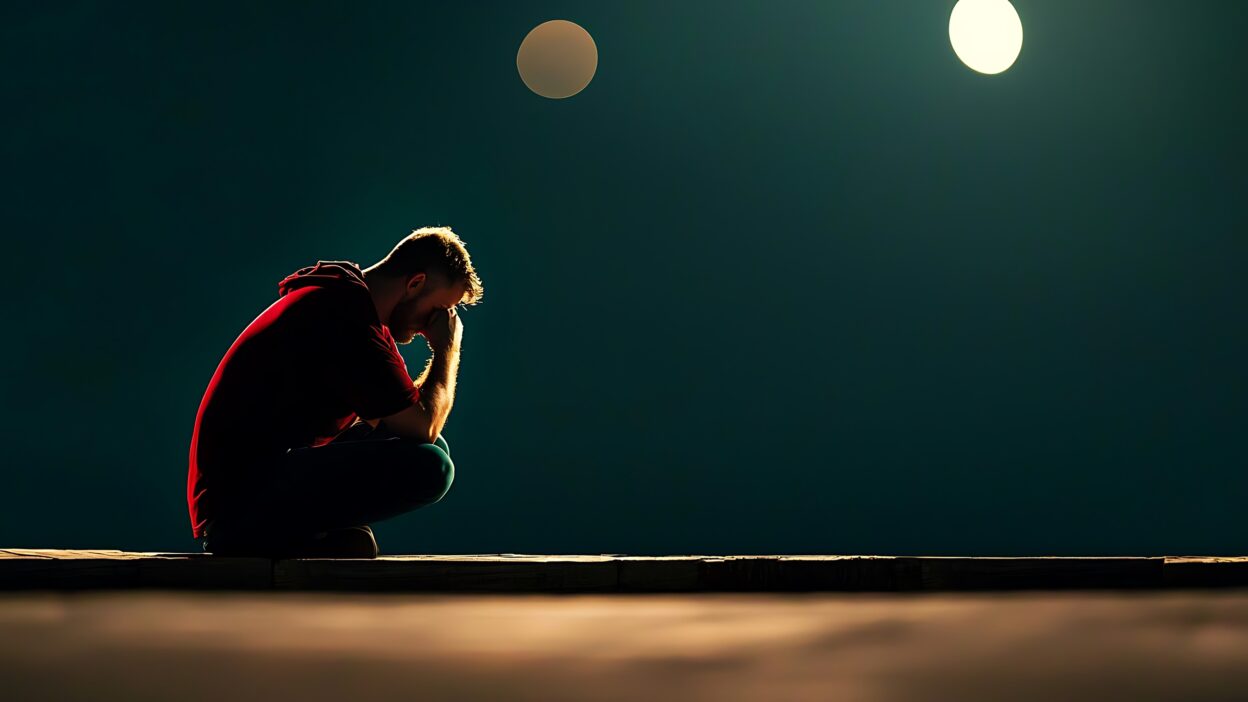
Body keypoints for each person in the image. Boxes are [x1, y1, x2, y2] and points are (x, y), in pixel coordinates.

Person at [187, 227, 484, 558]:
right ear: (415, 284)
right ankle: (271, 539)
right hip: (236, 507)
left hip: (256, 484)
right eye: (437, 311)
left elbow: (406, 419)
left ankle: (305, 537)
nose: (434, 325)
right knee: (432, 467)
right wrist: (447, 349)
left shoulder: (350, 303)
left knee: (429, 447)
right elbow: (422, 425)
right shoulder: (346, 318)